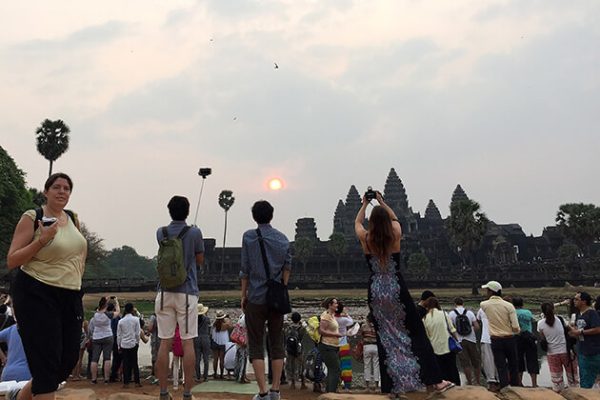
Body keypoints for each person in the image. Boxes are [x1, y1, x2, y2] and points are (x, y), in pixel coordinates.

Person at [355, 192, 454, 398]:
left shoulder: (366, 237)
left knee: (385, 336)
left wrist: (365, 204)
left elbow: (357, 221)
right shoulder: (395, 234)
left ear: (372, 222)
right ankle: (436, 380)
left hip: (376, 289)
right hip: (396, 287)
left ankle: (392, 388)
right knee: (415, 332)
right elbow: (395, 219)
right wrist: (382, 202)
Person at [7, 172, 87, 400]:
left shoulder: (73, 218)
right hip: (37, 291)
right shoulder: (33, 217)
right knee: (46, 360)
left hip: (70, 294)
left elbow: (80, 251)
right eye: (57, 187)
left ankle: (18, 397)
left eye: (66, 188)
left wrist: (77, 275)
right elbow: (13, 260)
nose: (62, 191)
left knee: (68, 359)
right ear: (46, 191)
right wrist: (42, 240)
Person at [239, 200, 292, 400]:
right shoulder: (283, 239)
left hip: (256, 297)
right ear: (272, 215)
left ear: (254, 216)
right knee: (277, 342)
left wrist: (243, 295)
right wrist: (281, 287)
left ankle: (262, 392)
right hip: (276, 299)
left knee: (256, 344)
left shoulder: (249, 237)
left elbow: (245, 269)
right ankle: (276, 390)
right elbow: (287, 267)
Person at [154, 195, 205, 400]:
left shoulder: (161, 232)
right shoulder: (194, 232)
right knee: (187, 343)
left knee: (164, 343)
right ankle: (186, 392)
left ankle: (164, 392)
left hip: (164, 292)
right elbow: (199, 260)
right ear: (187, 211)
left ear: (169, 211)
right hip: (186, 293)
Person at [479, 281, 520, 389]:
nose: (486, 293)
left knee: (500, 365)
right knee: (513, 364)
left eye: (487, 291)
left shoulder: (484, 305)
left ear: (491, 291)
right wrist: (514, 330)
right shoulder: (509, 306)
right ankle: (515, 385)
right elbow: (515, 327)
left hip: (495, 339)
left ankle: (504, 387)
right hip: (509, 338)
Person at [538, 303, 578, 392]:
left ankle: (559, 394)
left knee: (557, 380)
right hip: (566, 352)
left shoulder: (540, 323)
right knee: (573, 378)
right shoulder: (560, 319)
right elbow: (571, 330)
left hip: (552, 353)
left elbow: (543, 338)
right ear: (554, 310)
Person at [422, 297, 461, 386]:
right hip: (447, 346)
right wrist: (457, 340)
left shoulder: (424, 319)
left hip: (435, 348)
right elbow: (452, 329)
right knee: (452, 368)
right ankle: (457, 386)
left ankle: (444, 386)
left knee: (441, 370)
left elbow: (427, 336)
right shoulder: (444, 314)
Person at [568, 291, 600, 388]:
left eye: (577, 299)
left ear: (584, 301)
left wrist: (580, 332)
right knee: (584, 378)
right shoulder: (578, 315)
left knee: (589, 378)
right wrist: (573, 333)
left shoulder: (592, 313)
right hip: (582, 350)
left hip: (593, 351)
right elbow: (580, 331)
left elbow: (598, 329)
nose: (574, 301)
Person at [448, 297, 480, 385]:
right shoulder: (469, 313)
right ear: (463, 303)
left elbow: (450, 329)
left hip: (459, 340)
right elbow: (477, 327)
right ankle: (477, 382)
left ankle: (469, 382)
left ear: (454, 304)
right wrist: (471, 329)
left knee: (465, 363)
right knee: (476, 362)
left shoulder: (451, 314)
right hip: (471, 340)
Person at [90, 296, 120, 384]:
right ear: (106, 305)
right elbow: (117, 312)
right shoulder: (108, 315)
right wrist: (116, 301)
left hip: (96, 336)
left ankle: (94, 379)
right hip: (107, 335)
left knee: (94, 359)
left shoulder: (95, 314)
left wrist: (105, 299)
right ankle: (106, 379)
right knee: (107, 358)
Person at [512, 297, 539, 387]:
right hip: (529, 337)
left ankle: (520, 383)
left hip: (517, 337)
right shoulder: (528, 312)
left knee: (519, 360)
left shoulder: (513, 313)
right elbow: (532, 320)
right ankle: (534, 384)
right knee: (532, 360)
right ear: (522, 304)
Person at [318, 298, 342, 393]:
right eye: (336, 303)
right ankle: (331, 392)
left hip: (333, 345)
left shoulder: (332, 316)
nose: (337, 305)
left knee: (333, 369)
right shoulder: (326, 316)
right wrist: (335, 335)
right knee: (335, 369)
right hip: (327, 345)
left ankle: (330, 391)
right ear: (330, 305)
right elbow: (321, 330)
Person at [117, 303, 142, 388]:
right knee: (134, 363)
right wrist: (137, 342)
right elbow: (137, 333)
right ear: (132, 310)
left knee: (126, 363)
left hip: (124, 344)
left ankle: (126, 382)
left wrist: (119, 345)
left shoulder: (121, 321)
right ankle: (137, 382)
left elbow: (119, 335)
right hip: (133, 343)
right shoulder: (136, 319)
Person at [476, 307, 499, 391]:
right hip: (500, 337)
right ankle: (499, 382)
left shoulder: (483, 308)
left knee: (488, 362)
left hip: (486, 338)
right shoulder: (503, 306)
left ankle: (491, 383)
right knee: (499, 360)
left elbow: (477, 320)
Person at [334, 301, 354, 390]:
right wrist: (346, 314)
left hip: (333, 344)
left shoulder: (331, 319)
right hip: (344, 344)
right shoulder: (344, 320)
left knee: (334, 366)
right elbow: (351, 322)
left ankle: (335, 385)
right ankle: (347, 386)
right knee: (346, 366)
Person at [284, 312, 306, 390]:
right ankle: (303, 383)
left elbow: (286, 337)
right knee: (301, 365)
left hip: (290, 349)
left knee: (291, 364)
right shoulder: (302, 328)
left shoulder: (289, 328)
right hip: (299, 349)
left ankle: (292, 382)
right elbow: (304, 338)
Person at [360, 313, 379, 393]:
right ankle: (376, 386)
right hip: (376, 346)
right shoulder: (378, 326)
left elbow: (361, 335)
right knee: (376, 366)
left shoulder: (364, 326)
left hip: (367, 346)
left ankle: (367, 387)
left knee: (367, 366)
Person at [210, 310, 231, 379]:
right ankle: (222, 374)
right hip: (223, 342)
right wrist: (227, 318)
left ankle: (215, 374)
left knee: (215, 359)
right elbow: (230, 325)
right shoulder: (225, 325)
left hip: (215, 342)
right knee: (222, 359)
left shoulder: (214, 325)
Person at [194, 304, 211, 382]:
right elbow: (209, 329)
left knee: (197, 358)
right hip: (205, 337)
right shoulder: (207, 319)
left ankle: (198, 376)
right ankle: (205, 376)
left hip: (196, 337)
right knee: (206, 358)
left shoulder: (193, 320)